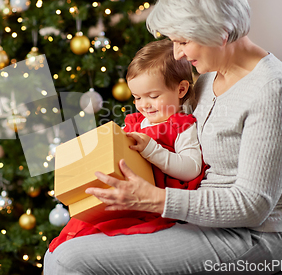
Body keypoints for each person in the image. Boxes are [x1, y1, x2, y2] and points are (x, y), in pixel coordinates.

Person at [44, 0, 282, 275]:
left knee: (68, 261)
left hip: (251, 238)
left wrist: (155, 200)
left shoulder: (273, 90)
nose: (178, 54)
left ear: (219, 29)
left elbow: (253, 206)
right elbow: (166, 133)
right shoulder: (206, 80)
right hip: (197, 221)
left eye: (183, 41)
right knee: (60, 250)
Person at [48, 39, 206, 252]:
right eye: (137, 97)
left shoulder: (182, 127)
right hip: (125, 198)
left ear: (181, 89)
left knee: (92, 243)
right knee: (77, 231)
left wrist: (151, 149)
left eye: (153, 96)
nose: (144, 105)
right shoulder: (136, 124)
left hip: (152, 205)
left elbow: (191, 169)